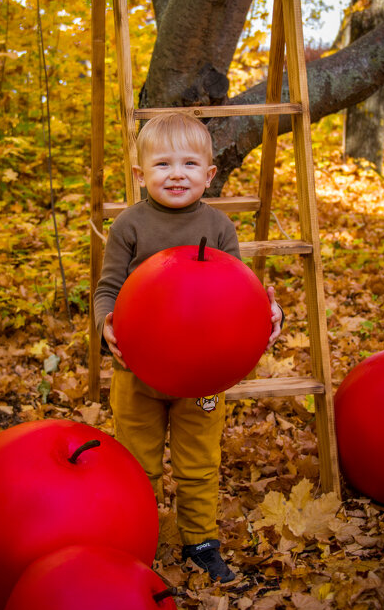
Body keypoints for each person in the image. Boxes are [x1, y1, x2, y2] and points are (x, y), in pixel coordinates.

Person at [94, 112, 283, 583]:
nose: (176, 174)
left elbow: (239, 293)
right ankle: (137, 535)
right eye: (161, 164)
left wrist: (267, 315)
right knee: (137, 463)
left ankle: (200, 540)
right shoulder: (129, 228)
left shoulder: (219, 228)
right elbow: (107, 289)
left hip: (203, 376)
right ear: (140, 175)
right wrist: (104, 326)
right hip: (137, 371)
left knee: (199, 460)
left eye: (189, 164)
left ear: (209, 173)